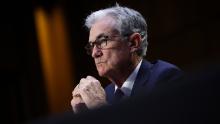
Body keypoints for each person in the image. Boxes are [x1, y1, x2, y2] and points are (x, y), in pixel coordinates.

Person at [71, 4, 183, 113]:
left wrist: (101, 110)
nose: (94, 53)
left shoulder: (165, 78)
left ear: (133, 43)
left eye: (102, 41)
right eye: (92, 46)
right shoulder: (105, 94)